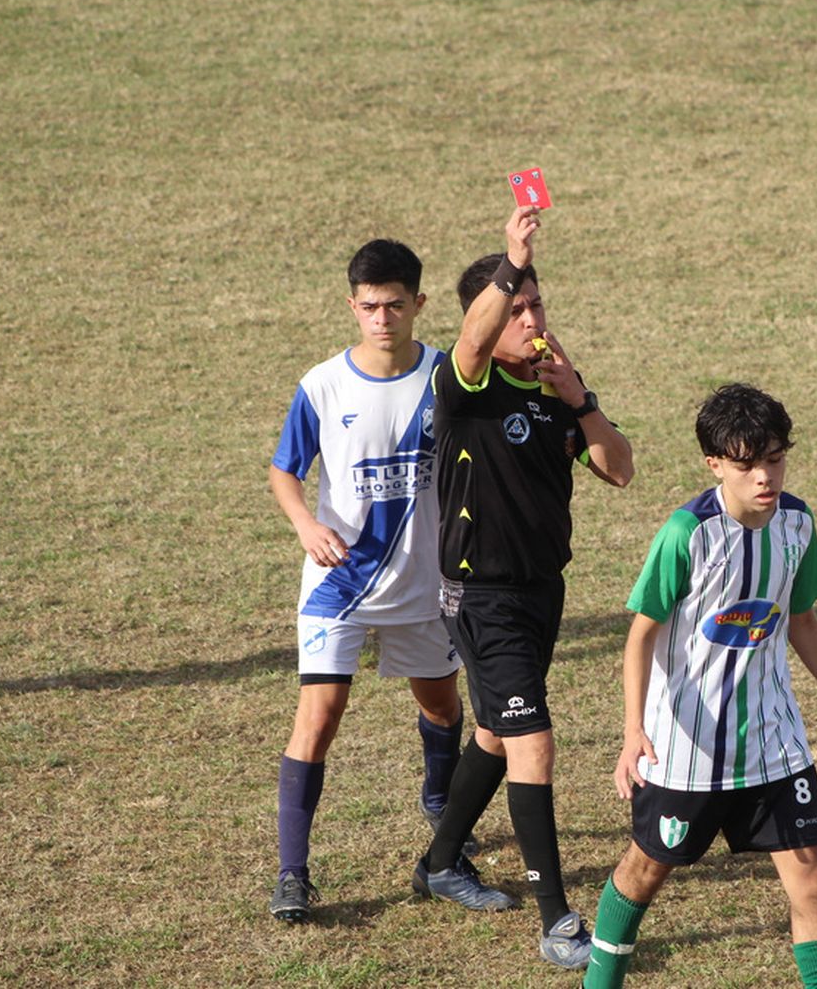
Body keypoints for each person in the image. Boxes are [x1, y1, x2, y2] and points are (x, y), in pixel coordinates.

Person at [581, 383, 817, 989]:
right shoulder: (687, 534)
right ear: (715, 464)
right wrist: (633, 732)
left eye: (775, 459)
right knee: (646, 868)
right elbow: (639, 637)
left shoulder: (798, 524)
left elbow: (801, 619)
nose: (764, 476)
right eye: (746, 463)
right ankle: (600, 980)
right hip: (687, 748)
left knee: (811, 875)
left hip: (774, 740)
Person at [415, 205, 634, 970]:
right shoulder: (462, 386)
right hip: (482, 595)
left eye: (538, 302)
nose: (532, 316)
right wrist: (511, 261)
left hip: (543, 593)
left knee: (497, 732)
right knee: (532, 740)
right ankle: (557, 919)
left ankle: (441, 864)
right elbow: (473, 339)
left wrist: (580, 397)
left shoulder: (553, 387)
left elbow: (619, 469)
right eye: (518, 306)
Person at [267, 239, 468, 922]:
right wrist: (304, 524)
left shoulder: (446, 377)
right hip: (340, 585)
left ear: (418, 304)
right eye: (369, 307)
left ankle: (440, 799)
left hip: (422, 584)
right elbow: (284, 470)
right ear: (352, 306)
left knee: (442, 707)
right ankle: (293, 874)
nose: (381, 319)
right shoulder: (323, 384)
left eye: (395, 306)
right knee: (318, 720)